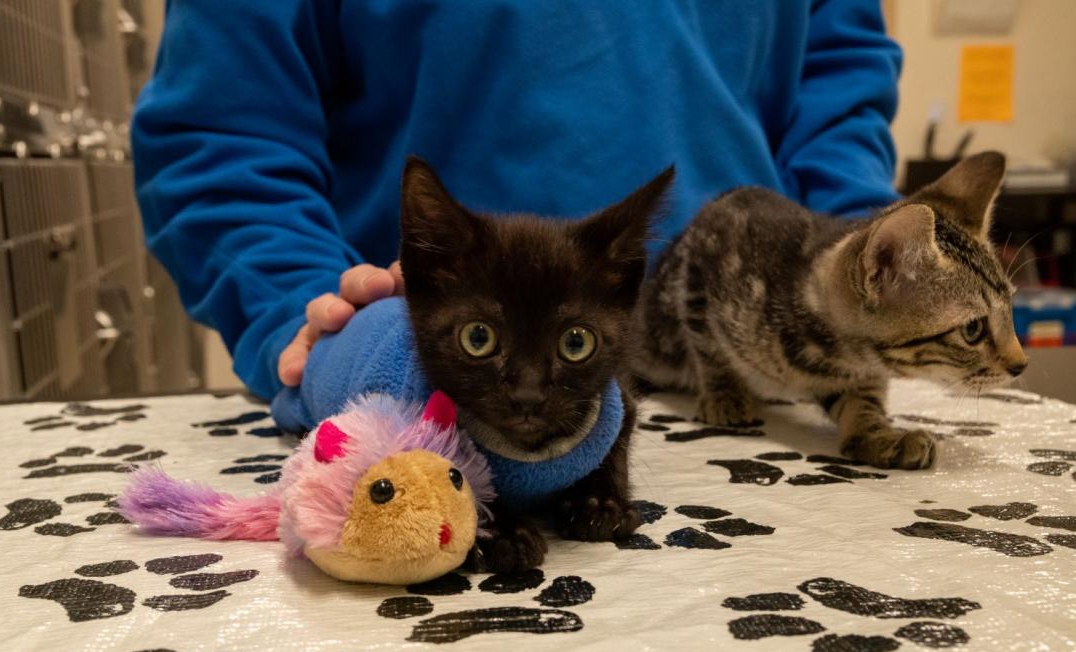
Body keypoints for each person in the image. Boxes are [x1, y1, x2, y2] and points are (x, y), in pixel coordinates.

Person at [132, 1, 902, 401]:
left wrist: (871, 276)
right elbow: (222, 130)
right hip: (420, 401)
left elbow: (836, 90)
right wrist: (312, 319)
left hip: (762, 393)